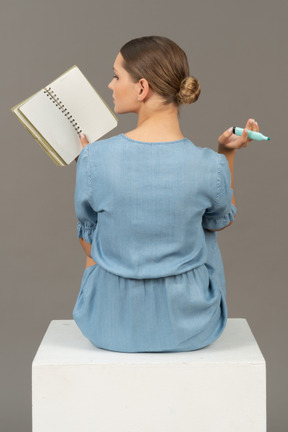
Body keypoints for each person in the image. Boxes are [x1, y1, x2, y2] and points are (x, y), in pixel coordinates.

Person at [73, 35, 259, 353]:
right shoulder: (209, 164)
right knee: (203, 228)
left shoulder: (94, 158)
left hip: (106, 325)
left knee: (100, 234)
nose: (110, 85)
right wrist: (225, 155)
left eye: (117, 76)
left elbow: (87, 240)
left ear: (142, 88)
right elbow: (220, 220)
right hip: (192, 328)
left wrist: (93, 168)